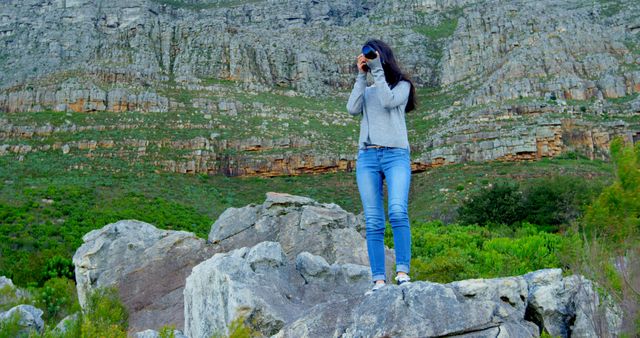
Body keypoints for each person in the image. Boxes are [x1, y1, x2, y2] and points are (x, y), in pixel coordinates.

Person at [346, 39, 418, 296]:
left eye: (373, 55)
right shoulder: (368, 89)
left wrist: (377, 70)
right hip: (367, 156)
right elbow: (352, 108)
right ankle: (378, 280)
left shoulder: (403, 86)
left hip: (395, 155)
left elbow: (387, 101)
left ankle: (402, 272)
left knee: (398, 211)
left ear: (383, 56)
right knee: (373, 221)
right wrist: (360, 76)